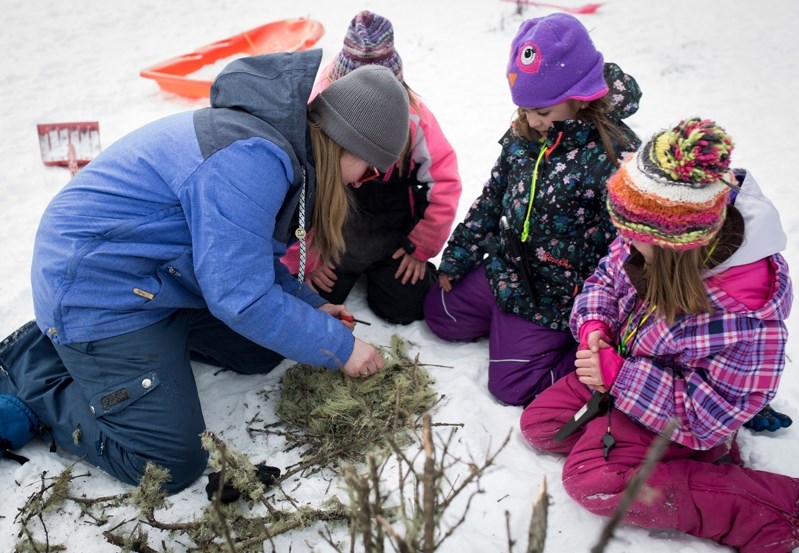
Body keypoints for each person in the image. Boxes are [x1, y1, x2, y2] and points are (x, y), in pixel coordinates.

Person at [0, 50, 409, 492]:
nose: (360, 180)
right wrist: (341, 350)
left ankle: (132, 352)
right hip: (96, 289)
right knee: (171, 463)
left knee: (260, 350)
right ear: (345, 143)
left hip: (154, 278)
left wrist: (309, 307)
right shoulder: (252, 160)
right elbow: (241, 297)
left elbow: (245, 259)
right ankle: (38, 368)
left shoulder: (280, 149)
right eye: (368, 170)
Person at [520, 118, 799, 552]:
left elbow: (706, 413)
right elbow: (605, 280)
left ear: (674, 248)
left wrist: (619, 377)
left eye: (633, 237)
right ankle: (677, 450)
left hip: (679, 409)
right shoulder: (645, 241)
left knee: (591, 479)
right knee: (540, 425)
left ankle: (772, 509)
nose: (623, 243)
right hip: (629, 377)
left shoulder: (744, 316)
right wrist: (595, 325)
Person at [423, 13, 641, 406]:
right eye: (524, 109)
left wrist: (605, 321)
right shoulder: (524, 134)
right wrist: (457, 258)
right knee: (441, 316)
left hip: (557, 295)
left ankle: (567, 355)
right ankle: (510, 331)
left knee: (511, 385)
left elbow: (626, 252)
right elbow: (493, 197)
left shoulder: (611, 156)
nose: (531, 120)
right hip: (508, 269)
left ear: (582, 96)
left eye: (542, 111)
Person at [281, 10, 462, 324]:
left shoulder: (414, 117)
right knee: (317, 304)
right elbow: (298, 198)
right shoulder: (318, 109)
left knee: (404, 305)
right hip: (334, 235)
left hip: (390, 233)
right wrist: (308, 260)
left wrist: (419, 247)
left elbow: (444, 182)